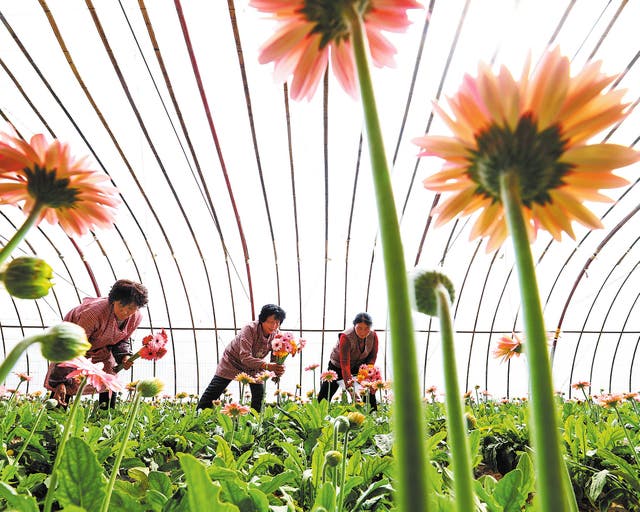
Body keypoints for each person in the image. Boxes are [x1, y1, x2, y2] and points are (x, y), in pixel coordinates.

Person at [44, 279, 149, 409]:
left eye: (131, 309)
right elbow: (71, 347)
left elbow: (122, 338)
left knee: (109, 380)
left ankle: (105, 418)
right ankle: (53, 418)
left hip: (101, 349)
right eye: (122, 306)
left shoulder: (136, 317)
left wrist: (124, 356)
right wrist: (59, 382)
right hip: (71, 346)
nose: (125, 312)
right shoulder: (92, 314)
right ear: (113, 301)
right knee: (67, 382)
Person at [197, 304, 286, 411]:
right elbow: (244, 357)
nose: (274, 326)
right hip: (232, 361)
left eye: (277, 323)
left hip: (255, 365)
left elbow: (275, 357)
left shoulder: (276, 335)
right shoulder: (249, 329)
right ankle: (198, 416)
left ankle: (255, 423)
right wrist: (267, 366)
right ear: (262, 320)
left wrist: (278, 368)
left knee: (259, 396)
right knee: (215, 390)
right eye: (271, 322)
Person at [318, 312, 379, 411]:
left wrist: (367, 374)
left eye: (366, 328)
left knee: (367, 392)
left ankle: (373, 416)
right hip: (338, 366)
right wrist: (351, 389)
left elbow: (372, 357)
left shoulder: (373, 335)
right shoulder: (346, 336)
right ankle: (318, 415)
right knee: (325, 395)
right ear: (354, 325)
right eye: (359, 328)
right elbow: (345, 364)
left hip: (359, 367)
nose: (363, 332)